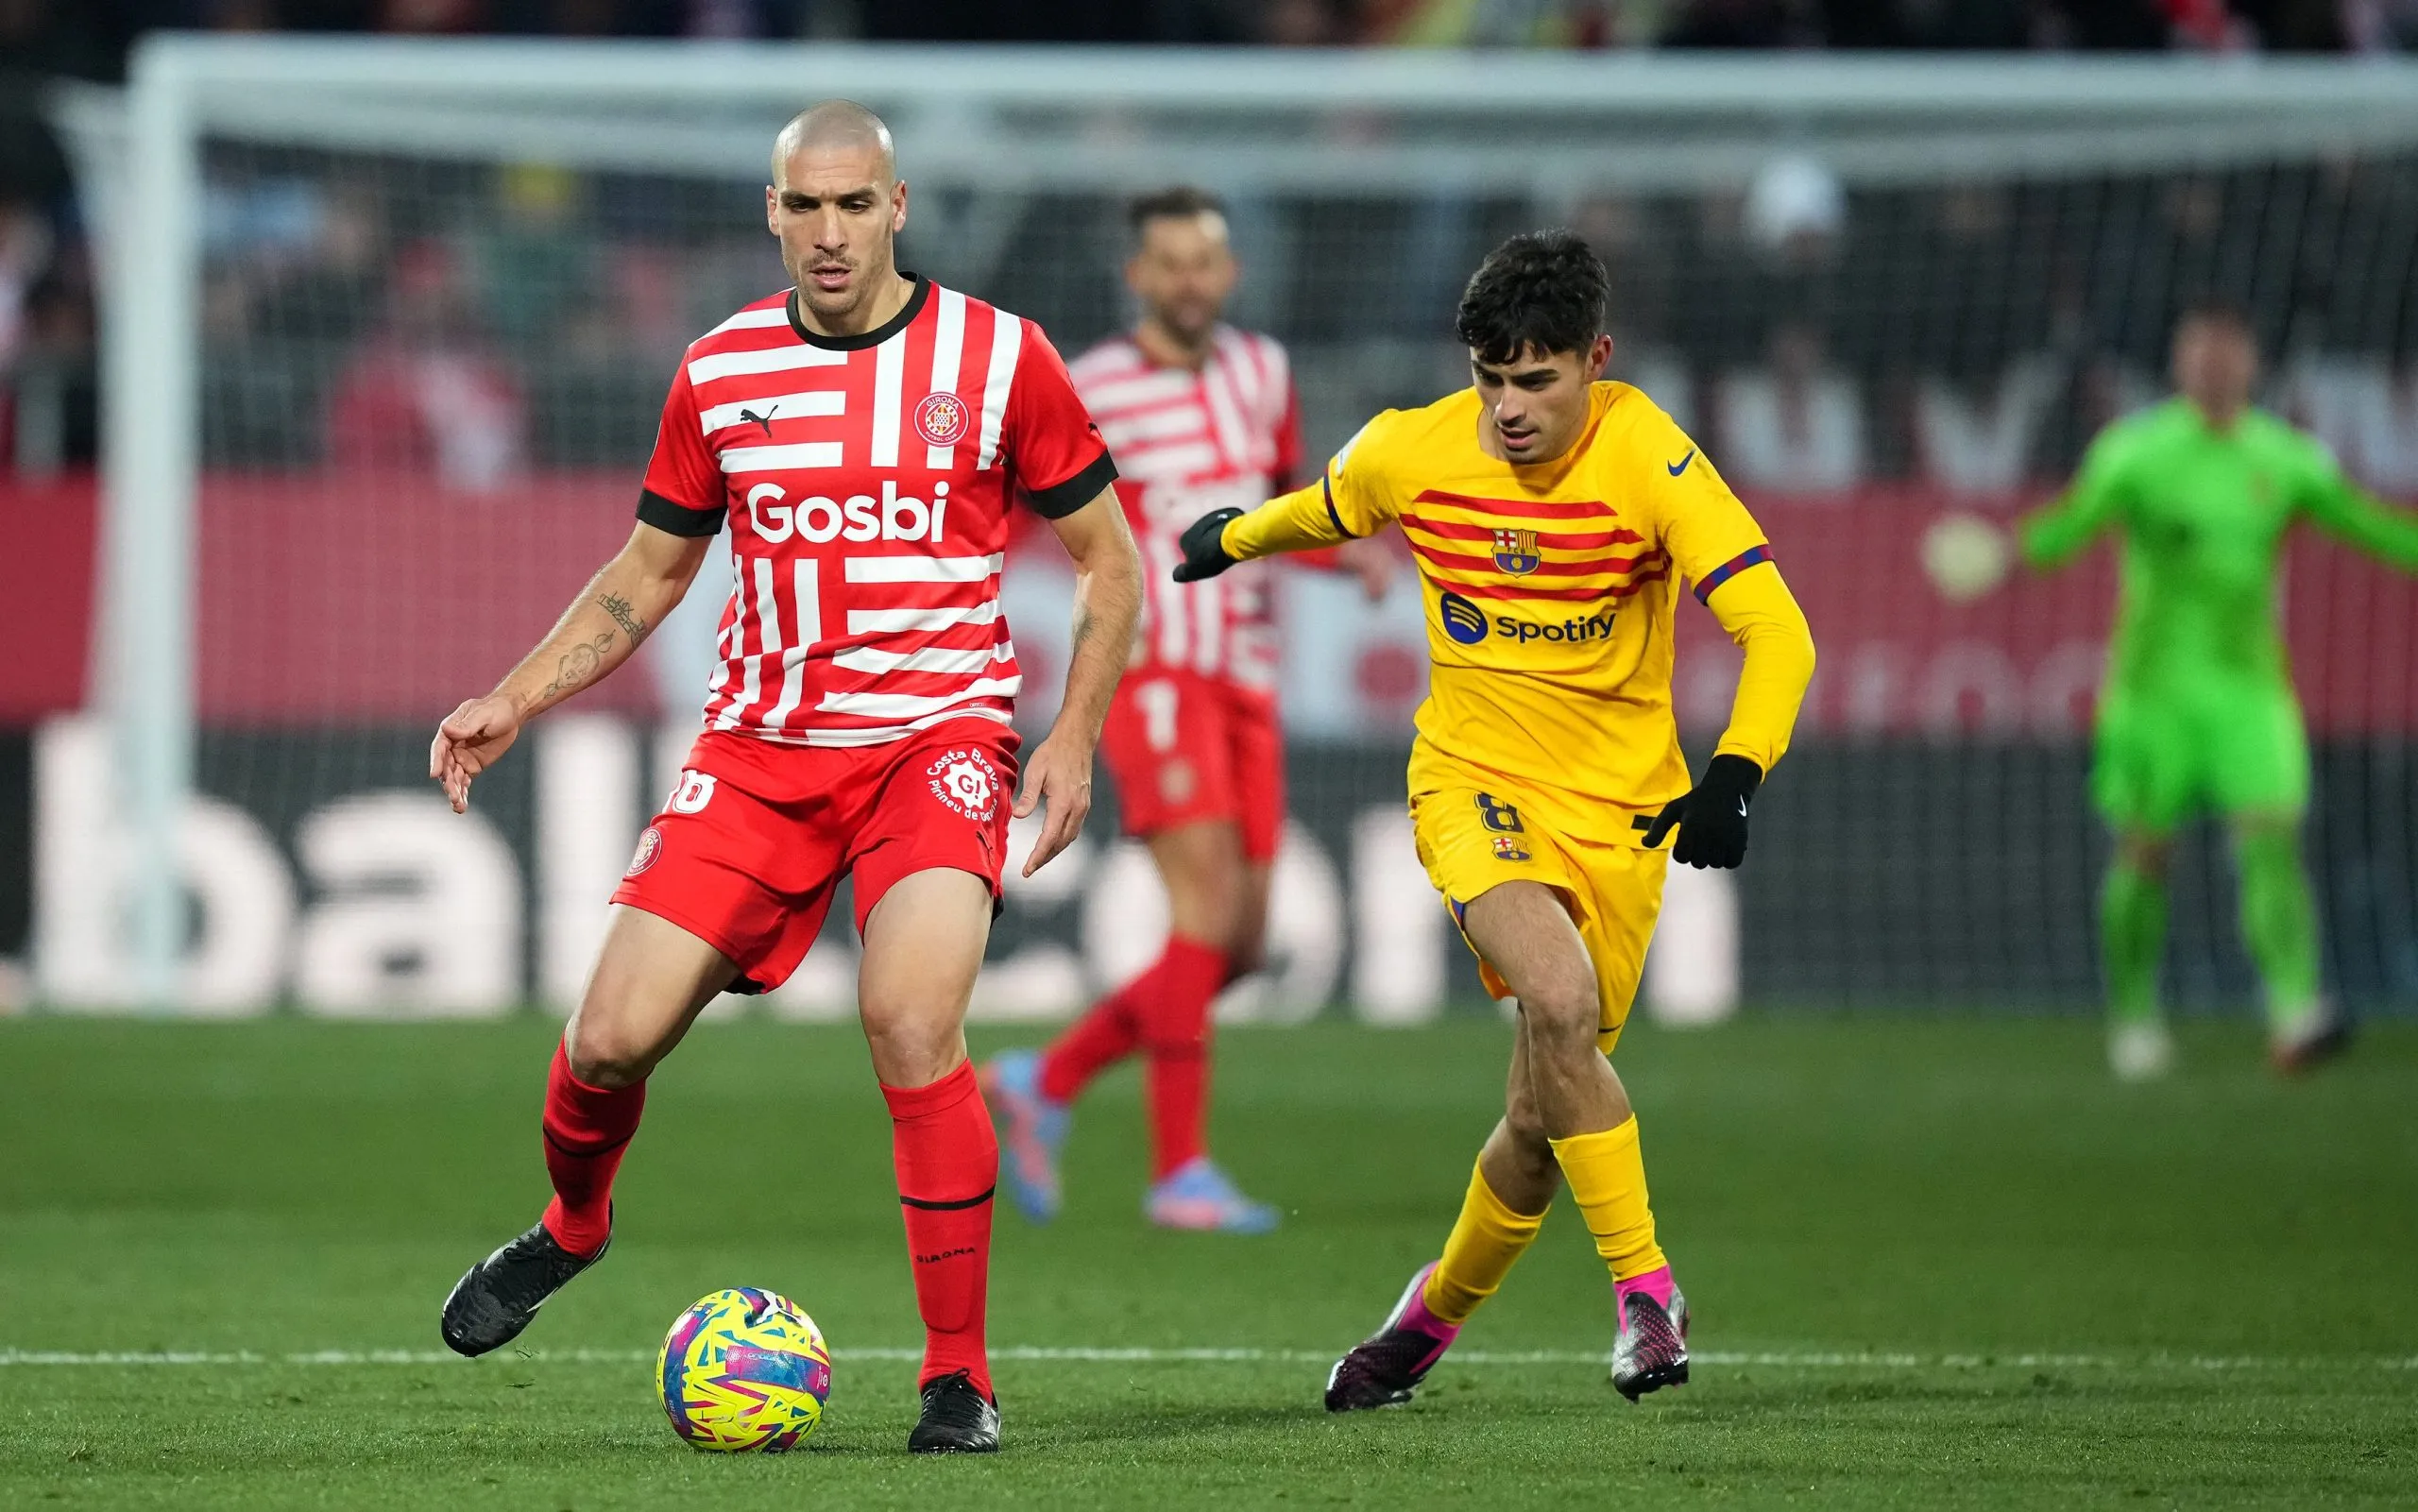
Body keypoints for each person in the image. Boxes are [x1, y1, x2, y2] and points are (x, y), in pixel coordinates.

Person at [427, 101, 1140, 1454]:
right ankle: (573, 1224)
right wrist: (514, 694)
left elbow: (1110, 556)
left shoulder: (1000, 355)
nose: (829, 231)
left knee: (911, 1020)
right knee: (606, 1041)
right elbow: (650, 571)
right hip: (760, 756)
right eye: (804, 205)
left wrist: (1073, 731)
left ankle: (958, 1377)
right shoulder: (719, 369)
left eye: (854, 204)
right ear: (771, 211)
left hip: (938, 742)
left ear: (897, 207)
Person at [1172, 230, 1815, 1407]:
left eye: (1535, 379)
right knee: (1556, 1002)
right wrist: (1232, 537)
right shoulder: (1416, 446)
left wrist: (1734, 772)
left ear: (1596, 361)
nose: (1508, 407)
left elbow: (1778, 629)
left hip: (1622, 817)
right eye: (1489, 378)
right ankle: (1648, 1294)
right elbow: (1327, 506)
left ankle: (1423, 1323)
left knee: (1537, 1120)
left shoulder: (1650, 457)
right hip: (1473, 783)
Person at [983, 187, 1390, 1234]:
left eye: (1203, 261)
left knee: (1240, 944)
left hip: (1248, 672)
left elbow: (1279, 505)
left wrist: (1351, 556)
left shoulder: (1265, 372)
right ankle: (1180, 1172)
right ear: (1137, 276)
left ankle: (1044, 1078)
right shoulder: (1093, 384)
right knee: (1202, 914)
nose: (1188, 281)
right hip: (1154, 670)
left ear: (1230, 271)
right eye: (1167, 263)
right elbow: (1039, 518)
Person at [2018, 301, 2418, 1081]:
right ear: (2179, 362)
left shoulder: (2288, 460)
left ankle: (2295, 1010)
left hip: (2248, 689)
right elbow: (2068, 530)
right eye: (2198, 350)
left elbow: (2371, 527)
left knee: (2271, 840)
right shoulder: (2133, 454)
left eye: (2226, 350)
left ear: (2251, 362)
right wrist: (2007, 554)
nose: (2212, 364)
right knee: (2145, 854)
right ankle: (2134, 1015)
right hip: (2151, 694)